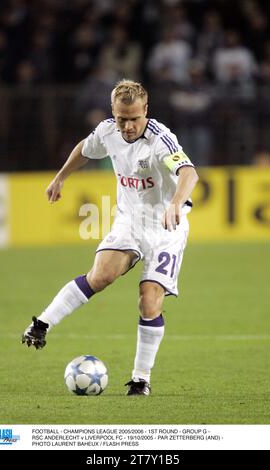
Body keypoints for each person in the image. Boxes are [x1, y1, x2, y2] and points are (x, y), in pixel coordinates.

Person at [22, 79, 199, 396]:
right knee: (102, 275)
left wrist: (174, 203)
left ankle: (140, 378)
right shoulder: (107, 131)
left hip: (166, 228)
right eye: (121, 119)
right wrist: (61, 176)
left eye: (134, 118)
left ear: (145, 110)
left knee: (149, 300)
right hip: (130, 220)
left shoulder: (161, 139)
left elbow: (189, 173)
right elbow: (85, 149)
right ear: (113, 114)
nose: (128, 126)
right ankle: (42, 324)